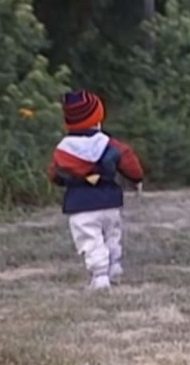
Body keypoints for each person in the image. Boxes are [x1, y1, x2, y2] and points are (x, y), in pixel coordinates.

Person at [48, 90, 144, 290]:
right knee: (112, 234)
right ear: (98, 117)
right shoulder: (110, 144)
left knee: (90, 240)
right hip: (110, 201)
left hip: (80, 204)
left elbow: (55, 174)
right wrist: (136, 178)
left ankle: (100, 275)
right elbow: (129, 162)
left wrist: (66, 180)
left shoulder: (63, 149)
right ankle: (115, 266)